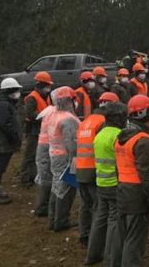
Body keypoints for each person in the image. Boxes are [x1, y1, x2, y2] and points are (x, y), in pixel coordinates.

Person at [115, 94, 149, 266]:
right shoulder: (143, 141)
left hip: (122, 191)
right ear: (145, 114)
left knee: (123, 236)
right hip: (137, 195)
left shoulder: (121, 137)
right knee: (135, 240)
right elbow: (148, 175)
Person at [85, 100, 126, 266]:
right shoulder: (118, 135)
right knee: (114, 220)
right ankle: (110, 259)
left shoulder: (100, 134)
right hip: (114, 184)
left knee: (100, 218)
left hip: (101, 183)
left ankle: (92, 255)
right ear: (119, 117)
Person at [76, 92, 120, 248]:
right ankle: (97, 242)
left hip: (80, 168)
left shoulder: (86, 121)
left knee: (85, 205)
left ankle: (84, 235)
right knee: (99, 208)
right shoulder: (103, 122)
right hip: (95, 170)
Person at [47, 86, 81, 231]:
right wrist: (76, 160)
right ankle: (61, 220)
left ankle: (53, 219)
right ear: (69, 101)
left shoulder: (53, 115)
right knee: (67, 187)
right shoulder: (68, 119)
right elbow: (72, 143)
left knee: (56, 186)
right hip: (67, 157)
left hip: (55, 155)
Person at [0, 77, 23, 204]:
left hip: (3, 142)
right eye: (16, 90)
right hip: (2, 143)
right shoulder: (3, 104)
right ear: (9, 90)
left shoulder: (5, 103)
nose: (18, 92)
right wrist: (14, 139)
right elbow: (5, 125)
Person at [20, 71, 53, 187]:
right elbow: (29, 114)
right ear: (41, 85)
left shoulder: (46, 96)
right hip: (33, 129)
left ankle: (34, 175)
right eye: (47, 86)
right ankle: (25, 177)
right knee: (30, 154)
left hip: (42, 129)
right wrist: (43, 118)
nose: (48, 88)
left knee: (38, 154)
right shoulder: (32, 97)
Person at [34, 89, 60, 217]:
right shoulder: (55, 113)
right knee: (47, 177)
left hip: (45, 147)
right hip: (48, 148)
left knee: (45, 176)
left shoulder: (49, 111)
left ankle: (44, 205)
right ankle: (43, 207)